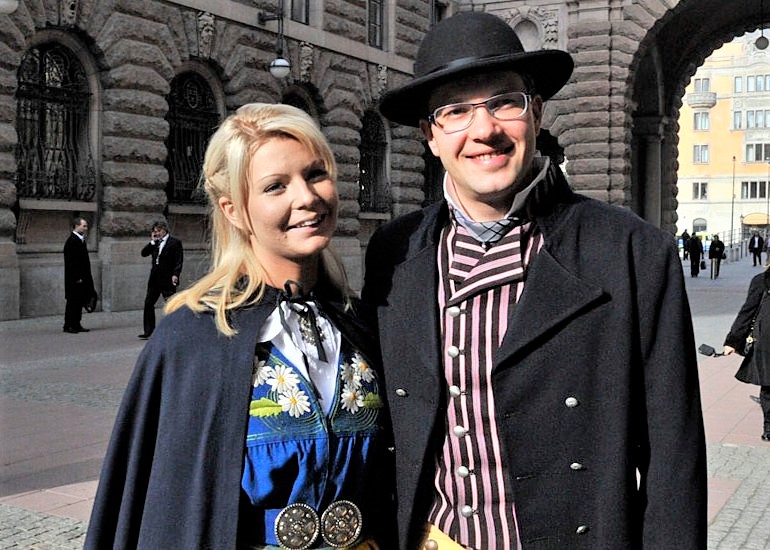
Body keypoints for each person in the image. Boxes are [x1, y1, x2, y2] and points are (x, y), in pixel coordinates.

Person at [363, 11, 706, 549]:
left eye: (504, 102)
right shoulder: (395, 253)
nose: (484, 130)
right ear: (431, 137)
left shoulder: (632, 252)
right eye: (454, 112)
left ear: (536, 112)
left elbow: (673, 456)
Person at [85, 103, 394, 549]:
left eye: (315, 174)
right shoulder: (192, 338)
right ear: (232, 209)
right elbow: (167, 506)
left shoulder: (361, 325)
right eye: (276, 186)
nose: (307, 198)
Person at [723, 264, 770, 441]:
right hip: (767, 342)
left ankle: (768, 428)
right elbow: (748, 311)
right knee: (768, 387)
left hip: (766, 343)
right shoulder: (762, 281)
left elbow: (747, 311)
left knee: (768, 387)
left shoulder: (761, 280)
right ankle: (769, 427)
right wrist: (733, 341)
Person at [138, 220, 184, 339]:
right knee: (148, 303)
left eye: (158, 231)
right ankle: (149, 331)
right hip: (154, 278)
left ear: (164, 230)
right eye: (154, 232)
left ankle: (175, 329)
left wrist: (176, 274)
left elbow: (179, 261)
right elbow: (143, 253)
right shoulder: (155, 243)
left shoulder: (174, 243)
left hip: (167, 277)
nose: (156, 233)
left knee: (171, 304)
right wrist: (152, 242)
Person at [63, 217, 96, 333]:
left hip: (81, 278)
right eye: (84, 226)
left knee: (79, 302)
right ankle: (69, 325)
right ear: (76, 226)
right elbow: (71, 263)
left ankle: (76, 323)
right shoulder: (72, 241)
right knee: (72, 302)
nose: (86, 228)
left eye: (86, 226)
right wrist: (77, 278)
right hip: (75, 279)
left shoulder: (80, 240)